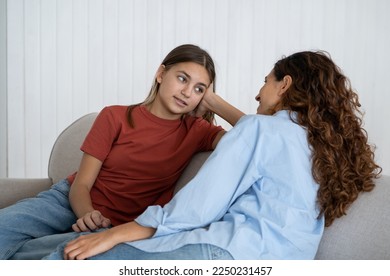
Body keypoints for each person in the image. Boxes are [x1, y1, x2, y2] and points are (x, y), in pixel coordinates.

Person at [45, 50, 382, 260]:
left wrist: (114, 234)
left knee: (65, 258)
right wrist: (217, 103)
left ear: (284, 85)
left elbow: (191, 212)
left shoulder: (260, 131)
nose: (256, 92)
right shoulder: (320, 144)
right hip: (282, 260)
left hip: (226, 253)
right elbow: (250, 135)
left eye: (265, 82)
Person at [0, 44, 245, 260]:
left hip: (118, 227)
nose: (187, 92)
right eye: (182, 79)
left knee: (66, 255)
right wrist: (87, 215)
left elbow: (255, 138)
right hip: (69, 201)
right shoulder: (114, 116)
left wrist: (215, 102)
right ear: (161, 74)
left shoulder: (198, 131)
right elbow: (82, 184)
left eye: (199, 89)